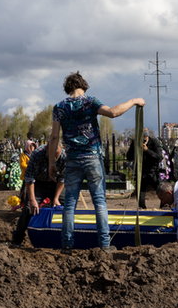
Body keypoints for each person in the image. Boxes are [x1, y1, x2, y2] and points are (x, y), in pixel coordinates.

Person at [48, 71, 145, 252]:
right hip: (92, 157)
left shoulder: (59, 107)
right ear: (83, 85)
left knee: (69, 203)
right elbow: (113, 113)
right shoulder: (90, 102)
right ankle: (105, 245)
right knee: (99, 201)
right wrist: (134, 101)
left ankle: (67, 245)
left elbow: (54, 137)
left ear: (67, 88)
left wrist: (52, 163)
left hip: (72, 159)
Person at [10, 144, 65, 246]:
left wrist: (56, 198)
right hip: (38, 182)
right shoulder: (37, 155)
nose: (54, 160)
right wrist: (32, 200)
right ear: (47, 152)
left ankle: (63, 237)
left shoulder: (64, 156)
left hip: (56, 183)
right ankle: (17, 240)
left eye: (56, 158)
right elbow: (29, 178)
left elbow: (62, 179)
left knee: (65, 206)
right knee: (28, 209)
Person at [126, 129, 164, 209]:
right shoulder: (135, 142)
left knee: (160, 190)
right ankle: (142, 208)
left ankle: (163, 206)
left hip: (153, 171)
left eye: (144, 138)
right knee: (141, 193)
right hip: (141, 171)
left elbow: (159, 157)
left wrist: (147, 150)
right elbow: (129, 157)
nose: (143, 140)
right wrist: (136, 150)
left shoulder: (154, 142)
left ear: (147, 137)